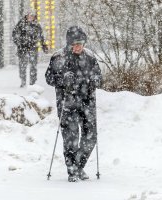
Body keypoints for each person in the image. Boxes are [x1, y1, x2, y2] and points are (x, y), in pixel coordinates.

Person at [45, 26, 102, 182]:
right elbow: (49, 78)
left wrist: (95, 80)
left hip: (87, 102)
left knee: (90, 137)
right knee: (71, 138)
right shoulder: (58, 57)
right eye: (75, 44)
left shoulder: (90, 57)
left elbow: (99, 76)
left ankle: (78, 166)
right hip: (67, 104)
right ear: (69, 43)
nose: (78, 46)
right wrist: (63, 79)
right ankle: (72, 171)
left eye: (81, 43)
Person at [12, 11, 48, 88]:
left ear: (34, 17)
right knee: (22, 66)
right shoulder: (21, 24)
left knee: (33, 66)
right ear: (26, 16)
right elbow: (14, 34)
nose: (31, 17)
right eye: (29, 16)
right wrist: (19, 43)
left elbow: (41, 36)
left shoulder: (36, 25)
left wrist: (43, 45)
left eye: (32, 16)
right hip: (22, 48)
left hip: (33, 48)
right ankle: (23, 81)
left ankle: (32, 82)